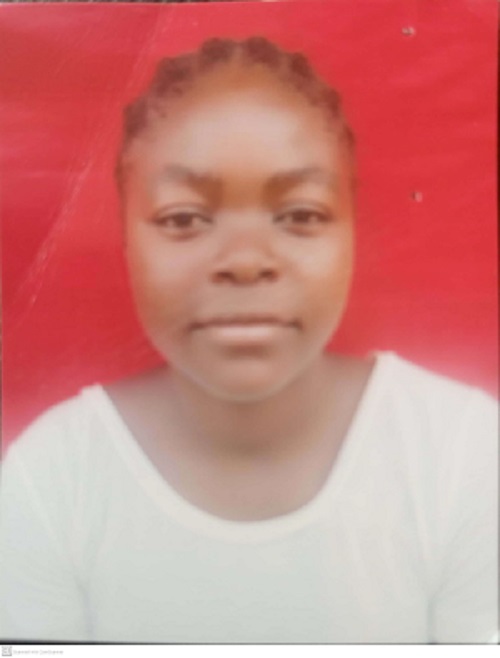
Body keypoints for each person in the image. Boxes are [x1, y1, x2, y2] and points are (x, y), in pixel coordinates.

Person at [1, 36, 497, 644]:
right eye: (184, 218)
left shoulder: (463, 457)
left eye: (301, 215)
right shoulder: (52, 482)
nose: (244, 260)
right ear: (126, 239)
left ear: (352, 232)